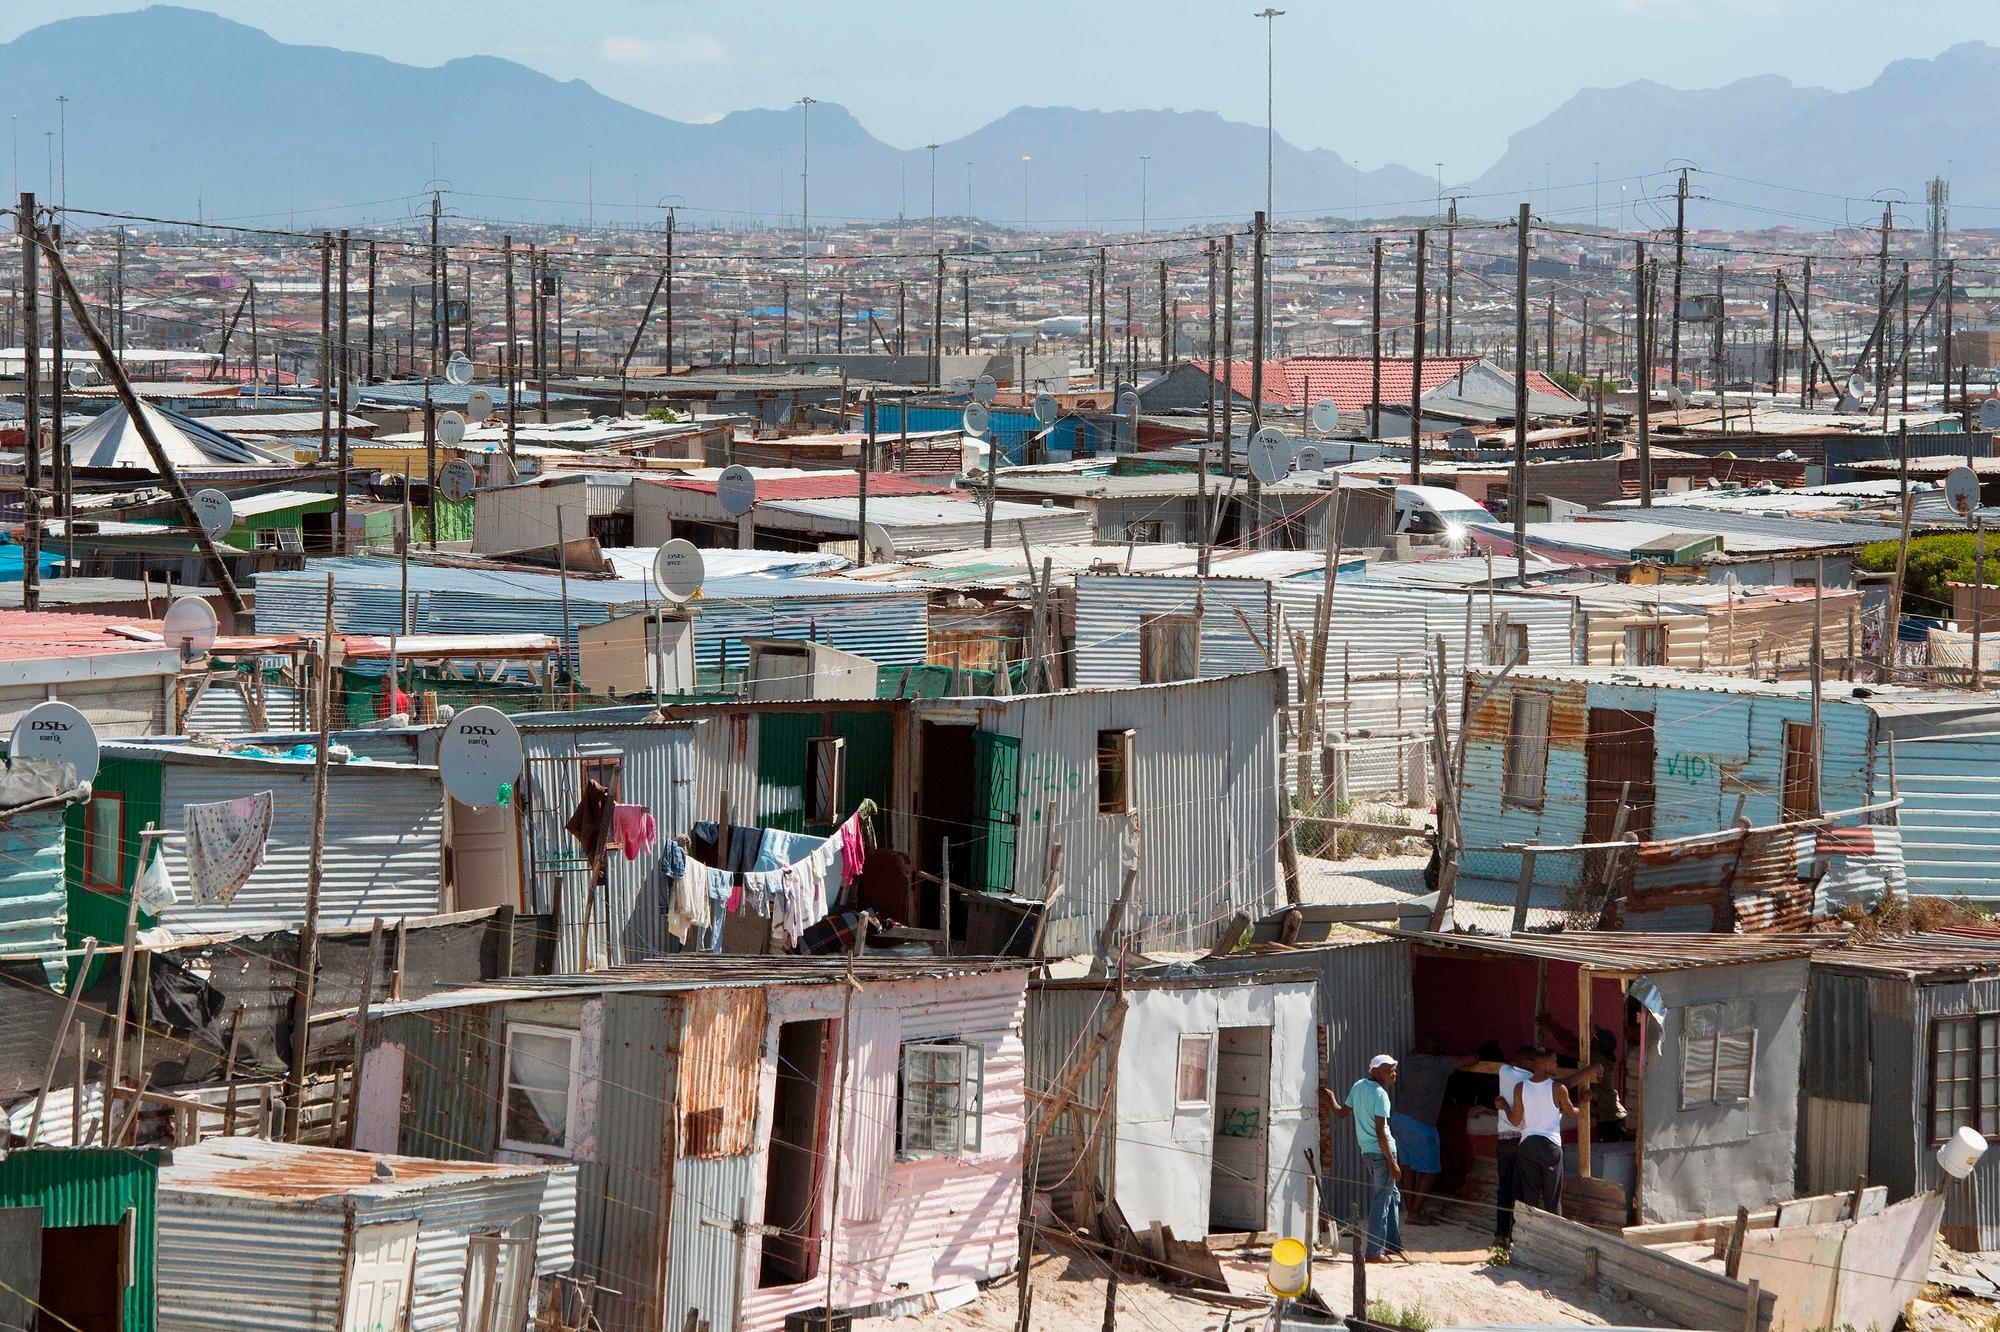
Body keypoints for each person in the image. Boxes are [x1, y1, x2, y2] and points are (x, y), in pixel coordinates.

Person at [1388, 1038, 1478, 1223]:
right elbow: (1471, 1059)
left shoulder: (1411, 1059)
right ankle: (1415, 1213)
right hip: (1421, 1123)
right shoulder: (1439, 1064)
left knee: (1408, 1166)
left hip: (1400, 1117)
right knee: (1430, 1171)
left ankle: (1410, 1208)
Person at [1503, 1047, 1596, 1218]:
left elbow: (1515, 1121)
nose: (1556, 1064)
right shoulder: (1558, 1088)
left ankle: (1527, 1238)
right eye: (1554, 1061)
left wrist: (1504, 1107)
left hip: (1528, 1146)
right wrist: (1583, 1101)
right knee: (1552, 1200)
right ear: (1544, 1063)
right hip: (1550, 1148)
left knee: (1529, 1199)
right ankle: (1553, 1239)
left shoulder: (1520, 1088)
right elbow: (1572, 1113)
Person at [1346, 1054, 1404, 1261]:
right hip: (1383, 1154)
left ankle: (1393, 1244)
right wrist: (1392, 1162)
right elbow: (1381, 1132)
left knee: (1393, 1197)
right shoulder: (1380, 1095)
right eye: (1390, 1070)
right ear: (1377, 1071)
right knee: (1382, 1201)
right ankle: (1373, 1251)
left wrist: (1331, 1099)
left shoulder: (1358, 1087)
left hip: (1368, 1154)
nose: (1394, 1074)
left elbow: (1342, 1112)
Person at [1492, 1044, 1534, 1244]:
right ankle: (1514, 1235)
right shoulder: (1529, 1081)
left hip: (1503, 1139)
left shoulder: (1504, 1072)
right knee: (1519, 1189)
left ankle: (1500, 1234)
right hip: (1521, 1139)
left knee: (1504, 1188)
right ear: (1527, 1062)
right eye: (1532, 1061)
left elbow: (1506, 1065)